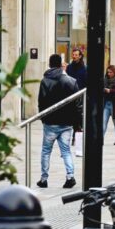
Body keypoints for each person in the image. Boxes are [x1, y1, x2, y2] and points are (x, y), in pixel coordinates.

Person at [37, 53, 81, 189]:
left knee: (46, 151)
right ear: (61, 64)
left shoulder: (45, 81)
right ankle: (70, 176)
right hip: (67, 122)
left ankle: (44, 179)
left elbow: (41, 101)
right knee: (66, 151)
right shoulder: (71, 81)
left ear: (50, 64)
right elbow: (77, 104)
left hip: (50, 121)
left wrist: (43, 118)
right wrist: (76, 122)